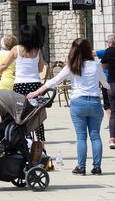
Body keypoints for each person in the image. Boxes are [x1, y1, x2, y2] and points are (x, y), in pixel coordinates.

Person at [28, 38, 109, 175]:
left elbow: (54, 81)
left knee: (81, 137)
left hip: (78, 102)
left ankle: (81, 167)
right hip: (95, 102)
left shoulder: (72, 66)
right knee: (95, 136)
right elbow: (106, 84)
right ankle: (97, 167)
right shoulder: (96, 65)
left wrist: (36, 92)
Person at [0, 24, 47, 142]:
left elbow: (4, 65)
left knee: (21, 113)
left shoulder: (16, 49)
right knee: (37, 113)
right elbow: (40, 68)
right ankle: (41, 141)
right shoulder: (37, 50)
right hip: (35, 85)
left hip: (20, 85)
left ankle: (25, 139)